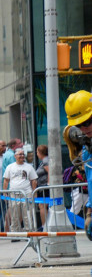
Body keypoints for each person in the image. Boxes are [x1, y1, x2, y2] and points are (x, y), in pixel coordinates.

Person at [63, 90, 92, 240]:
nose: (84, 128)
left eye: (87, 122)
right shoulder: (87, 153)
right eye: (79, 125)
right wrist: (89, 212)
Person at [3, 148, 37, 232]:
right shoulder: (10, 167)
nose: (22, 156)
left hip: (27, 194)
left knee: (28, 215)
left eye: (23, 154)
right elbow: (6, 180)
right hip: (13, 195)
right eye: (20, 154)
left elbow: (33, 180)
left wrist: (34, 192)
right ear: (15, 156)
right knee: (14, 215)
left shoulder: (29, 167)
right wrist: (5, 192)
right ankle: (15, 233)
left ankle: (29, 232)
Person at [35, 144, 50, 227]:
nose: (36, 154)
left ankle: (45, 226)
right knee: (43, 206)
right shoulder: (44, 161)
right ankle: (46, 225)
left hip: (45, 187)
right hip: (43, 187)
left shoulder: (45, 161)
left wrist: (48, 184)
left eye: (37, 152)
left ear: (40, 152)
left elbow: (50, 171)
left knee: (42, 206)